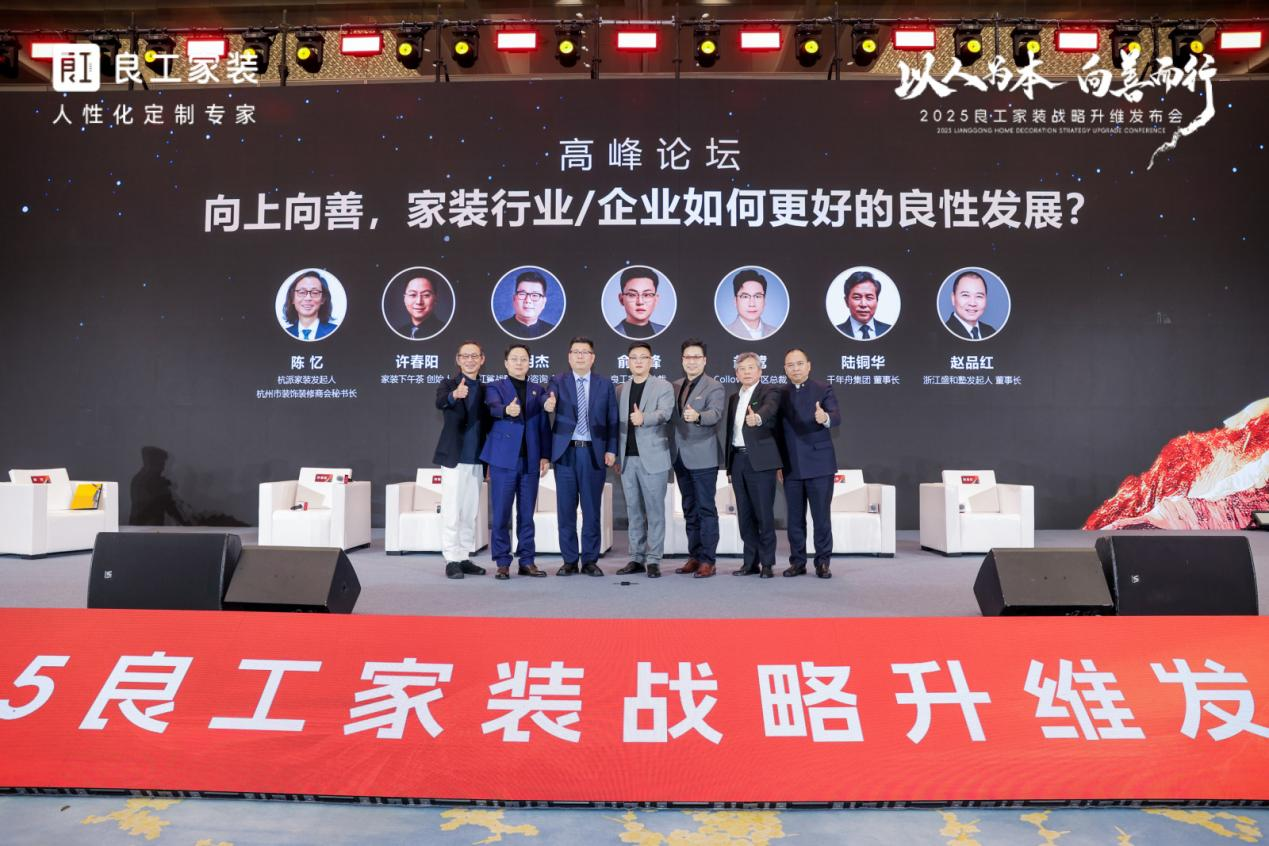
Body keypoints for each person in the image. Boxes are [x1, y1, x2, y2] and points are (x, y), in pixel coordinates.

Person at [546, 336, 618, 577]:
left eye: (585, 352)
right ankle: (569, 560)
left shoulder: (604, 384)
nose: (580, 356)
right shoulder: (558, 381)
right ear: (569, 357)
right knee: (566, 510)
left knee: (591, 510)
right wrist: (548, 403)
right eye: (575, 352)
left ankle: (589, 560)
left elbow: (612, 420)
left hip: (593, 453)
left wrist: (611, 449)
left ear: (592, 357)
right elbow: (549, 398)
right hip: (566, 453)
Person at [480, 343, 551, 580]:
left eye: (523, 359)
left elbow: (543, 425)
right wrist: (505, 410)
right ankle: (502, 562)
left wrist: (545, 455)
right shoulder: (495, 386)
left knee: (526, 514)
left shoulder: (538, 390)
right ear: (506, 363)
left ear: (530, 363)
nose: (519, 363)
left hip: (530, 460)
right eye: (514, 359)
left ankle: (527, 561)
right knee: (501, 514)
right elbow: (492, 407)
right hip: (503, 460)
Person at [778, 348, 841, 579]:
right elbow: (776, 431)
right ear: (785, 369)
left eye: (799, 363)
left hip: (819, 464)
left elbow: (836, 416)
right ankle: (797, 562)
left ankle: (823, 562)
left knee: (821, 517)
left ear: (808, 365)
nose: (795, 368)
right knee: (794, 519)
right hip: (791, 464)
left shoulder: (823, 388)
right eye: (790, 365)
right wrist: (778, 463)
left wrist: (825, 418)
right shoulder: (780, 393)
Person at [614, 342, 675, 579]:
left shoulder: (663, 386)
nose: (638, 361)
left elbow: (665, 413)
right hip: (627, 459)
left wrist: (644, 418)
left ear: (651, 361)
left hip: (653, 458)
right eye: (634, 358)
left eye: (643, 357)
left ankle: (654, 559)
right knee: (634, 511)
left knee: (655, 511)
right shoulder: (620, 389)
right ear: (628, 362)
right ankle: (636, 558)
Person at [434, 341, 491, 579]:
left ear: (482, 359)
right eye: (465, 356)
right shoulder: (448, 384)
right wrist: (454, 395)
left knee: (470, 511)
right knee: (452, 510)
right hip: (454, 458)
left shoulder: (488, 389)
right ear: (458, 359)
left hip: (477, 459)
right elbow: (440, 401)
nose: (470, 360)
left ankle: (464, 555)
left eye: (474, 356)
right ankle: (451, 559)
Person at [670, 339, 726, 579]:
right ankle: (694, 556)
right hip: (679, 456)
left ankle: (708, 560)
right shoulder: (674, 385)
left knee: (705, 509)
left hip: (703, 457)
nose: (691, 362)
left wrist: (699, 416)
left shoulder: (714, 386)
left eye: (696, 357)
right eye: (687, 357)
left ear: (704, 360)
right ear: (682, 360)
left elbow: (716, 414)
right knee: (689, 509)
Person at [725, 351, 783, 578]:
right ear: (736, 374)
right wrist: (729, 465)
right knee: (745, 515)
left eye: (751, 368)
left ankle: (767, 563)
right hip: (738, 460)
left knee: (763, 514)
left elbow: (770, 409)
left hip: (760, 462)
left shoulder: (770, 391)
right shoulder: (734, 398)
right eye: (742, 369)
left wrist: (757, 418)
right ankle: (750, 562)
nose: (746, 372)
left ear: (760, 371)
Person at [498, 270, 556, 338]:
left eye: (535, 295)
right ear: (514, 299)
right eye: (522, 294)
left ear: (544, 302)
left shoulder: (553, 331)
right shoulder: (499, 328)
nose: (528, 301)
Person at [724, 269, 780, 340]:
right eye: (745, 296)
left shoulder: (775, 332)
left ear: (764, 300)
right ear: (735, 301)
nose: (752, 304)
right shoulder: (726, 332)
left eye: (757, 296)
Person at [835, 271, 892, 340]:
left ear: (877, 301)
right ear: (846, 301)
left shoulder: (889, 330)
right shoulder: (835, 332)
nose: (863, 304)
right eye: (857, 297)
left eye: (869, 297)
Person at [611, 266, 665, 339]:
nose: (640, 302)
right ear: (621, 299)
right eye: (632, 295)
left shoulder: (666, 331)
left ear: (656, 300)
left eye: (647, 295)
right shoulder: (610, 335)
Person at [284, 271, 338, 340]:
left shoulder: (335, 331)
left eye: (315, 293)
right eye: (302, 292)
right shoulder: (285, 334)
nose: (308, 298)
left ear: (323, 299)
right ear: (292, 298)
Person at [945, 270, 996, 340]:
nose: (972, 303)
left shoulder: (991, 331)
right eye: (965, 295)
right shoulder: (943, 333)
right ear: (953, 298)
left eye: (979, 296)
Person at [400, 275, 445, 339]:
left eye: (426, 295)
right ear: (404, 299)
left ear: (435, 298)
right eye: (413, 295)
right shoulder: (400, 332)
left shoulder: (446, 332)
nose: (419, 302)